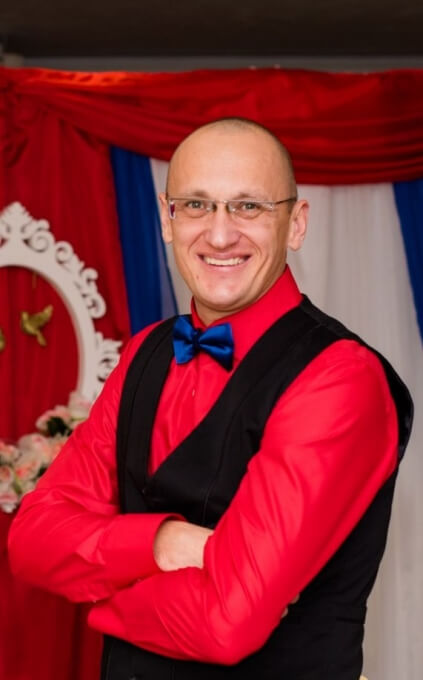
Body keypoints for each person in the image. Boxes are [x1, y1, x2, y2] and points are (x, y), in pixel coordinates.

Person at [8, 118, 413, 680]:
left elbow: (226, 626)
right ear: (167, 218)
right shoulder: (145, 351)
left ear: (296, 223)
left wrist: (100, 604)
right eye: (196, 205)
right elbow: (31, 540)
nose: (220, 236)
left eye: (249, 207)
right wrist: (163, 542)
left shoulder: (340, 377)